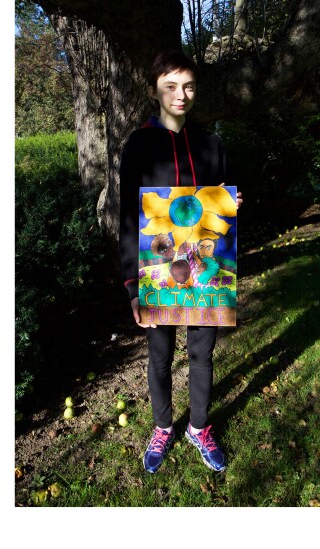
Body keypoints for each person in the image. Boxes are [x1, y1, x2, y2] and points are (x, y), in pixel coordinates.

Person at [118, 50, 241, 475]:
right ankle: (162, 426)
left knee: (202, 354)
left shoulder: (211, 144)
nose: (181, 94)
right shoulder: (139, 145)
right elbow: (129, 220)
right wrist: (133, 286)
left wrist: (232, 203)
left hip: (205, 270)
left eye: (188, 85)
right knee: (160, 354)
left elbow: (221, 210)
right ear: (155, 90)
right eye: (171, 86)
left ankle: (199, 427)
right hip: (158, 272)